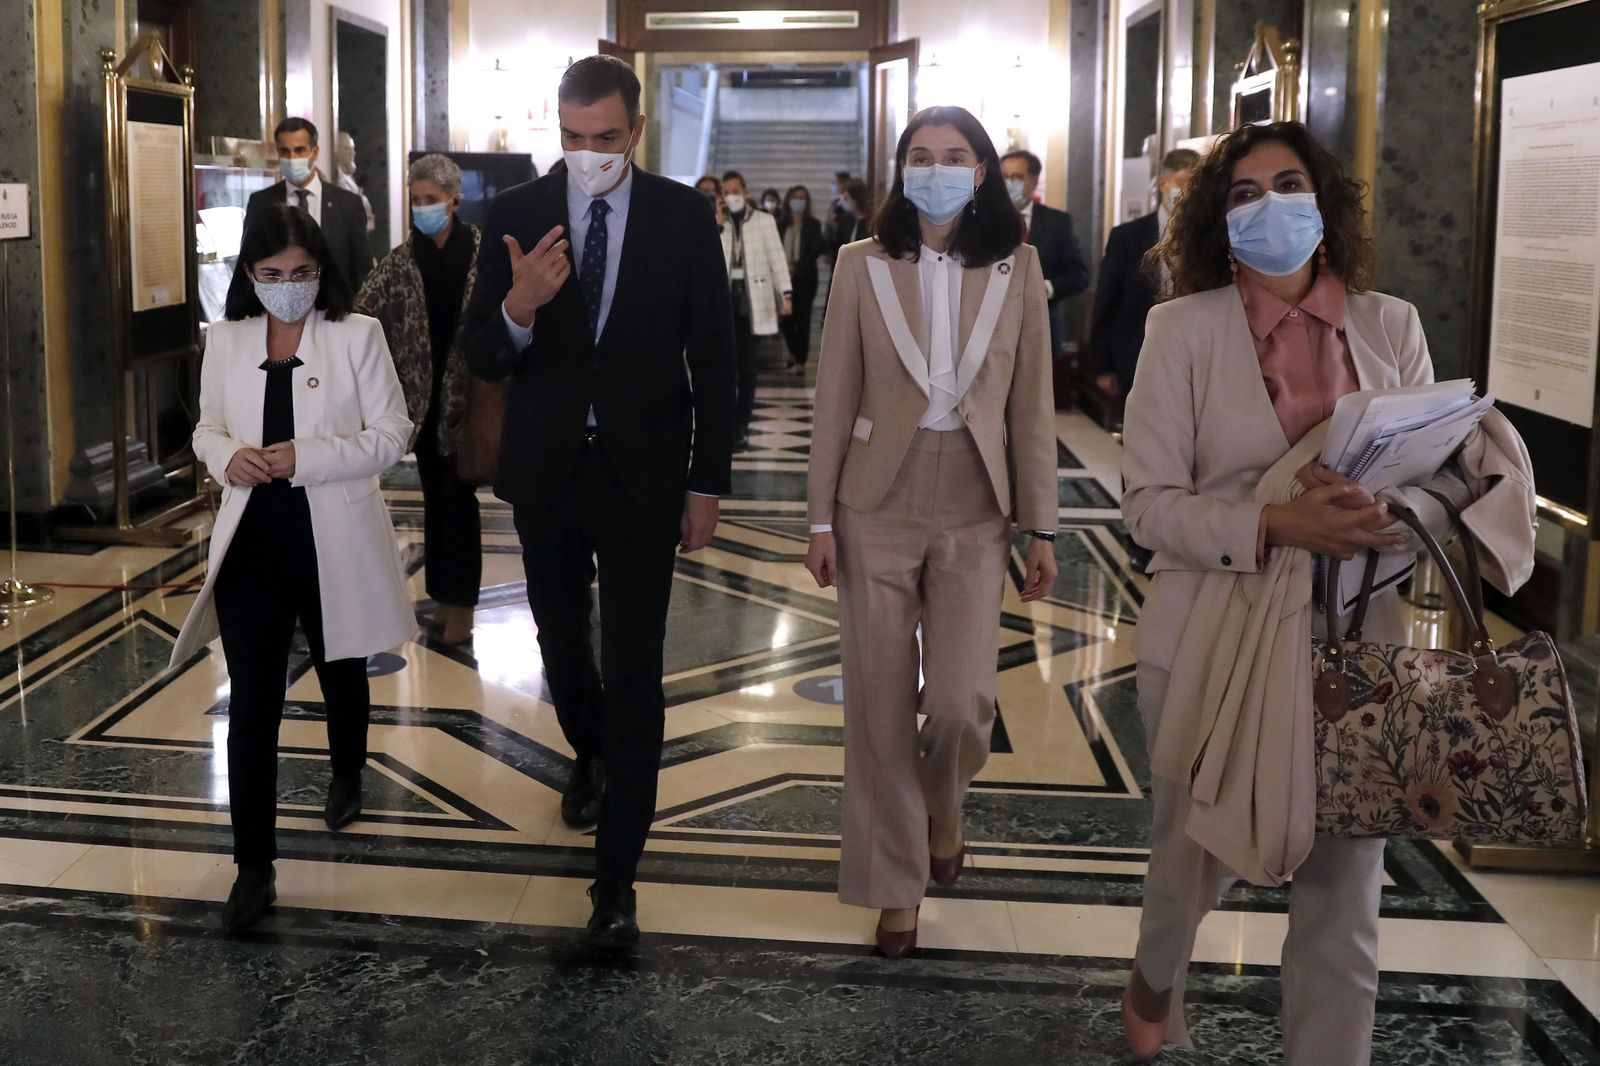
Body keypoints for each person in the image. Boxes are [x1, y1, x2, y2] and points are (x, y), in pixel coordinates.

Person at [1119, 121, 1532, 1065]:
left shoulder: (1392, 326)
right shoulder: (1179, 331)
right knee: (1190, 861)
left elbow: (1450, 469)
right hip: (1212, 636)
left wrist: (1387, 509)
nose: (1272, 206)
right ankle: (1157, 971)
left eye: (1289, 182)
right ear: (1220, 222)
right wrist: (1275, 524)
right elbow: (1146, 505)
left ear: (1326, 201)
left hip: (1357, 633)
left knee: (1346, 889)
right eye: (1245, 192)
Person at [463, 55, 736, 950]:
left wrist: (707, 482)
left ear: (636, 132)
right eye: (573, 139)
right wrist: (519, 306)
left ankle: (616, 877)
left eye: (606, 140)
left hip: (644, 471)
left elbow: (719, 357)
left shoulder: (682, 216)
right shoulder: (514, 214)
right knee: (556, 638)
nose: (588, 155)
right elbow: (482, 354)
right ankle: (592, 753)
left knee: (635, 666)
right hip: (547, 468)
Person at [805, 105, 1060, 959]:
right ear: (901, 168)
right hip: (875, 499)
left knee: (960, 705)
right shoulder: (859, 264)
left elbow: (1032, 406)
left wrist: (1043, 526)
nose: (937, 168)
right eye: (921, 155)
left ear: (982, 171)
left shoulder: (1017, 268)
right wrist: (817, 517)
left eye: (954, 156)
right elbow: (834, 395)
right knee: (878, 710)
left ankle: (945, 809)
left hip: (977, 503)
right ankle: (895, 886)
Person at [169, 204, 414, 934]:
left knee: (342, 663)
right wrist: (224, 455)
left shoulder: (356, 334)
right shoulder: (227, 337)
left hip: (330, 530)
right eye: (272, 275)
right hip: (253, 538)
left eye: (302, 273)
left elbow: (393, 432)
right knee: (252, 703)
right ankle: (254, 865)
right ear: (249, 275)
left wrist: (305, 459)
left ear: (321, 271)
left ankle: (347, 769)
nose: (288, 287)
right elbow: (205, 425)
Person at [355, 153, 483, 645]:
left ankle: (462, 608)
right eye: (415, 201)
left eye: (431, 200)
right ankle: (445, 597)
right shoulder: (403, 259)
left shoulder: (483, 252)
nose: (422, 209)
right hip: (422, 405)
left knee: (460, 500)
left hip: (470, 399)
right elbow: (363, 312)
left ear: (455, 199)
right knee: (438, 499)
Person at [1090, 147, 1199, 397]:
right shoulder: (1128, 236)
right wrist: (1103, 366)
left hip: (1191, 355)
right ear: (1163, 184)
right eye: (1182, 183)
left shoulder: (1209, 237)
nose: (1188, 193)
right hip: (1136, 353)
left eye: (1196, 186)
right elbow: (1106, 302)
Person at [247, 117, 373, 290]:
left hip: (335, 310)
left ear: (314, 152)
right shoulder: (261, 203)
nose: (292, 158)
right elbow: (250, 262)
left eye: (299, 150)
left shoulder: (348, 205)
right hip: (278, 307)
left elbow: (362, 270)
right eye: (284, 151)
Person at [719, 169, 793, 449]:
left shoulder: (763, 221)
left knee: (748, 368)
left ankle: (741, 424)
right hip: (722, 302)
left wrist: (786, 293)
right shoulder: (718, 223)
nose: (731, 197)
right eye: (725, 192)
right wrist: (717, 223)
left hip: (752, 301)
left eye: (735, 191)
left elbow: (777, 256)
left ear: (746, 192)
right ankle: (724, 422)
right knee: (724, 368)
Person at [999, 149, 1089, 359]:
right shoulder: (984, 222)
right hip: (996, 331)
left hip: (1042, 330)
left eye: (1017, 177)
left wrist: (1047, 287)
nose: (1010, 183)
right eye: (1004, 177)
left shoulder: (1057, 222)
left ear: (1034, 180)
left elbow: (1080, 275)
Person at [777, 184, 824, 373]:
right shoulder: (780, 224)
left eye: (802, 197)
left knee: (803, 318)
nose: (799, 200)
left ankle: (800, 360)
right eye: (795, 197)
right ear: (788, 200)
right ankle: (792, 351)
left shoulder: (813, 224)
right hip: (783, 278)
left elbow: (814, 250)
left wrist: (796, 266)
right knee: (786, 318)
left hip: (805, 278)